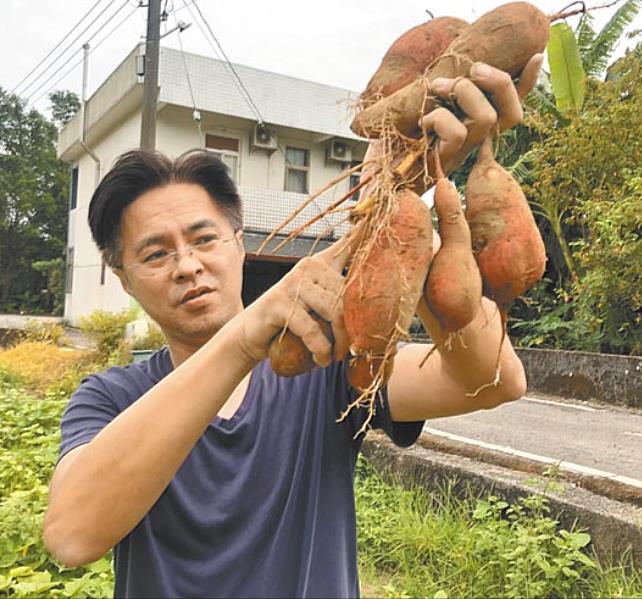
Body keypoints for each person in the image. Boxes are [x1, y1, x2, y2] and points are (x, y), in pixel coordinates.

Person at [43, 55, 544, 597]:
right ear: (123, 279)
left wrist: (412, 209)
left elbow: (494, 382)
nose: (187, 264)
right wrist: (242, 339)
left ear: (240, 245)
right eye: (157, 253)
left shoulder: (326, 364)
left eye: (204, 239)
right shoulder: (111, 398)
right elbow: (72, 537)